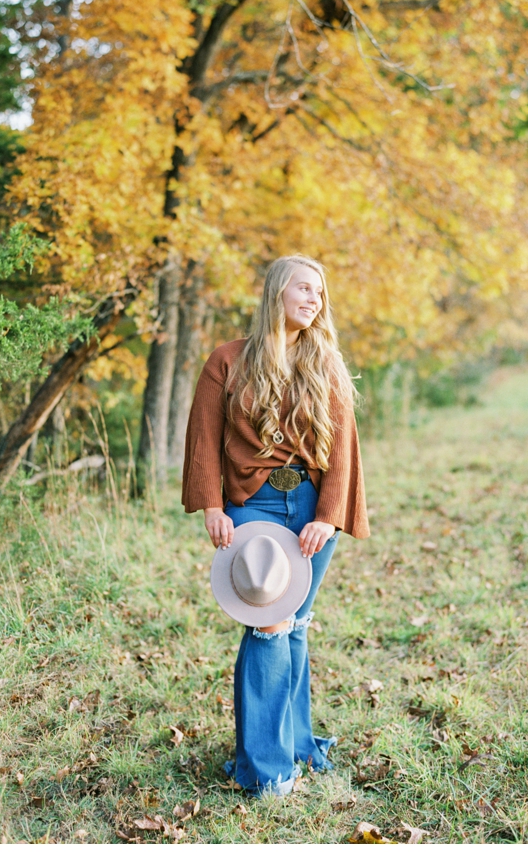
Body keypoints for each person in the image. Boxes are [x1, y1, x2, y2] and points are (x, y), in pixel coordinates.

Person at [182, 254, 370, 797]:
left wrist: (330, 517)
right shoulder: (227, 361)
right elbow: (203, 437)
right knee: (267, 625)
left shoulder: (325, 362)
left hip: (310, 505)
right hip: (251, 505)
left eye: (320, 292)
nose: (314, 299)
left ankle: (296, 744)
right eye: (304, 288)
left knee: (295, 624)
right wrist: (213, 506)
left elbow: (343, 449)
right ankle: (267, 771)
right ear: (276, 293)